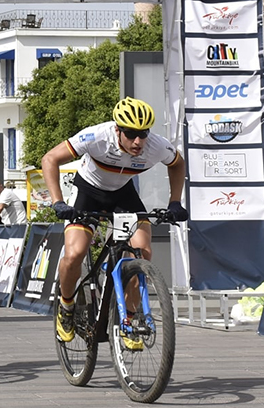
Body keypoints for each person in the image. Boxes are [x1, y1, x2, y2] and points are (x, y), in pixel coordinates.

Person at [41, 96, 188, 349]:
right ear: (117, 130)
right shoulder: (97, 137)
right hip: (88, 192)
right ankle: (66, 306)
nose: (138, 141)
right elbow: (50, 159)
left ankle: (129, 320)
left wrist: (175, 202)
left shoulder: (156, 145)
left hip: (123, 194)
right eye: (131, 134)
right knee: (75, 253)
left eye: (142, 134)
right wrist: (57, 202)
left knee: (141, 252)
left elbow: (178, 164)